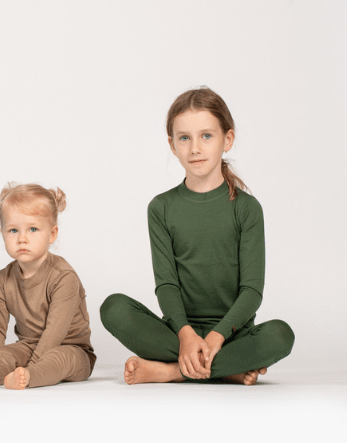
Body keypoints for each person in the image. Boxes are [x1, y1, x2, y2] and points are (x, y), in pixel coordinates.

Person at [99, 87, 294, 385]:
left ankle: (171, 371)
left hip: (231, 335)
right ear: (172, 144)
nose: (195, 148)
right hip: (178, 334)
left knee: (280, 335)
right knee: (113, 308)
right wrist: (186, 334)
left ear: (227, 139)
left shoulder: (247, 208)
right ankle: (226, 368)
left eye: (206, 136)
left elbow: (252, 290)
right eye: (184, 138)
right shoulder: (161, 207)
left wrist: (217, 336)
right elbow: (166, 284)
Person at [0, 183, 95, 389]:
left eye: (33, 229)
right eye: (13, 230)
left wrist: (31, 366)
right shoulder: (2, 279)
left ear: (52, 234)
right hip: (28, 346)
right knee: (8, 354)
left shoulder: (63, 277)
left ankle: (29, 376)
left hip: (72, 350)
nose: (22, 239)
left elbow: (55, 332)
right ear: (3, 233)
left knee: (58, 359)